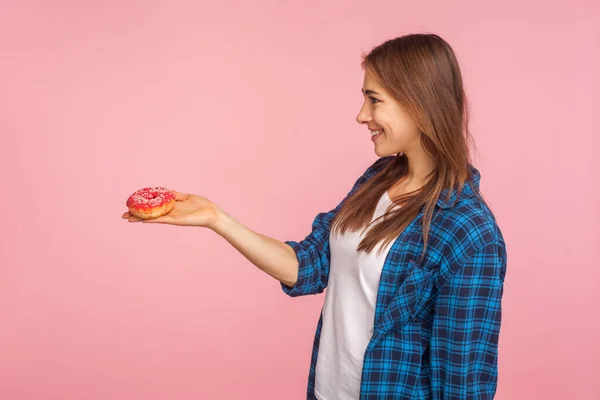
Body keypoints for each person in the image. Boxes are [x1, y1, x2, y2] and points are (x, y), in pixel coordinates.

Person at [122, 33, 507, 400]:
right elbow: (308, 266)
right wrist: (216, 219)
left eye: (374, 100)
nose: (361, 116)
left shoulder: (470, 233)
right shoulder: (378, 179)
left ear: (418, 104)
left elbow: (463, 383)